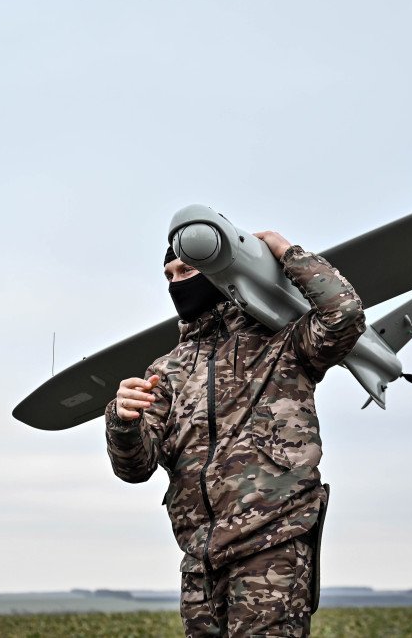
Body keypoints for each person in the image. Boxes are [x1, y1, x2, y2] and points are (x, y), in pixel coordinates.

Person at [105, 230, 365, 637]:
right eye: (169, 275)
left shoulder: (282, 346)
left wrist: (285, 253)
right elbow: (135, 467)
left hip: (271, 545)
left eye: (187, 269)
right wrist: (122, 420)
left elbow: (344, 315)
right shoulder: (166, 371)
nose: (177, 283)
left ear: (214, 269)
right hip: (200, 563)